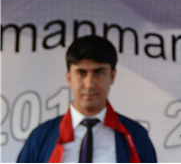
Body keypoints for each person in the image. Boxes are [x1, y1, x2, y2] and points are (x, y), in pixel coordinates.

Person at [17, 35, 157, 163]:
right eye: (81, 73)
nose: (89, 84)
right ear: (69, 78)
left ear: (112, 76)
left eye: (99, 72)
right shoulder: (41, 137)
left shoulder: (136, 136)